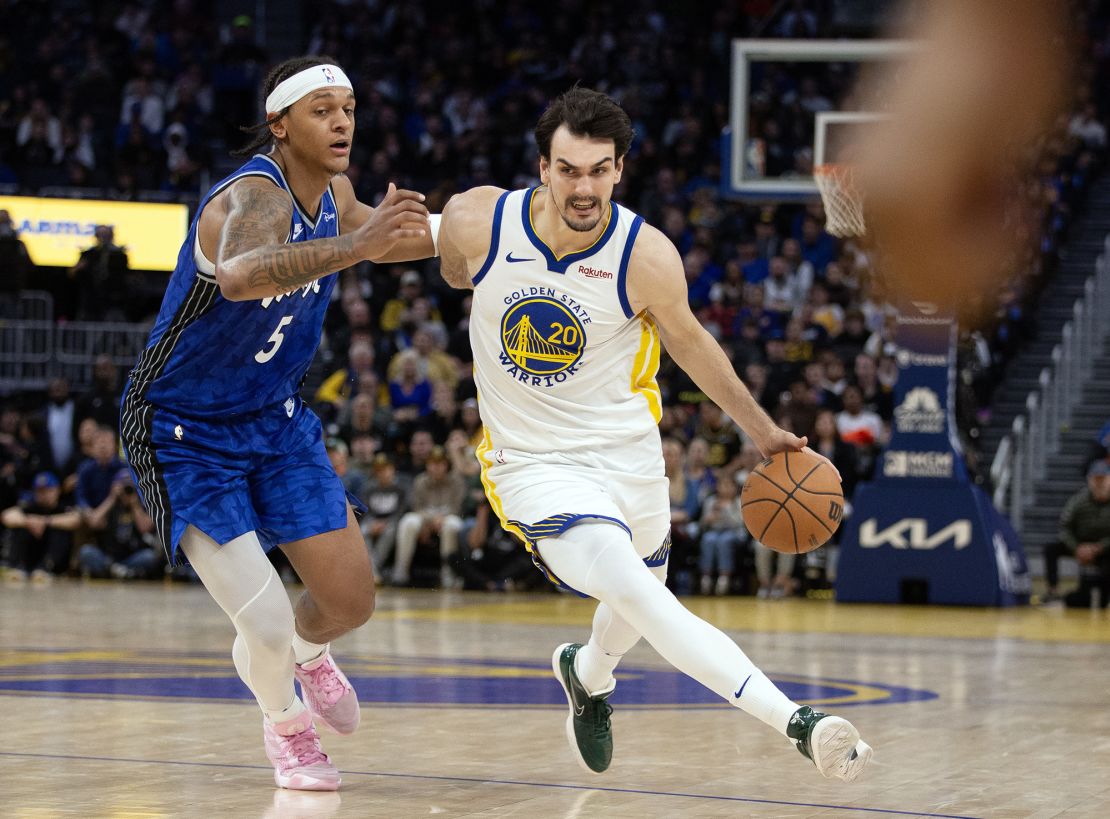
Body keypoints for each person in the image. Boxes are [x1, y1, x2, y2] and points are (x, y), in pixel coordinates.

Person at [435, 87, 871, 781]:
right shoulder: (478, 219)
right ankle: (796, 721)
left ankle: (588, 672)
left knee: (638, 594)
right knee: (637, 590)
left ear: (620, 169)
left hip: (629, 459)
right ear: (543, 167)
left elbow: (694, 346)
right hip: (532, 464)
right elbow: (443, 256)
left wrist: (763, 432)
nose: (585, 186)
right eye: (570, 169)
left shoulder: (645, 255)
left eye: (600, 169)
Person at [119, 55, 434, 791]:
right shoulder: (256, 195)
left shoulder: (336, 193)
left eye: (349, 107)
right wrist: (358, 246)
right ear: (280, 122)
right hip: (183, 428)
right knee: (257, 622)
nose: (342, 122)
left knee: (350, 599)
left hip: (274, 418)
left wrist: (499, 238)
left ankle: (308, 650)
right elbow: (239, 273)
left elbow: (385, 236)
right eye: (322, 109)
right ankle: (287, 729)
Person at [1042, 459, 1110, 607]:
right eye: (1096, 479)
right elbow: (1064, 527)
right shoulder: (1079, 501)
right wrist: (1077, 547)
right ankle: (1053, 590)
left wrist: (1099, 547)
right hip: (1080, 544)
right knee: (1051, 548)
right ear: (1089, 481)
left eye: (1103, 479)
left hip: (1105, 548)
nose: (1099, 483)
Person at [2, 471, 82, 582]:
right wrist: (28, 522)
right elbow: (7, 516)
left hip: (56, 560)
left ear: (57, 490)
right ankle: (18, 566)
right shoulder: (30, 506)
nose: (44, 494)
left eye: (48, 490)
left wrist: (45, 521)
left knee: (60, 530)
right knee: (21, 528)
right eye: (40, 491)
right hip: (32, 554)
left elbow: (76, 520)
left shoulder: (63, 507)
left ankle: (46, 568)